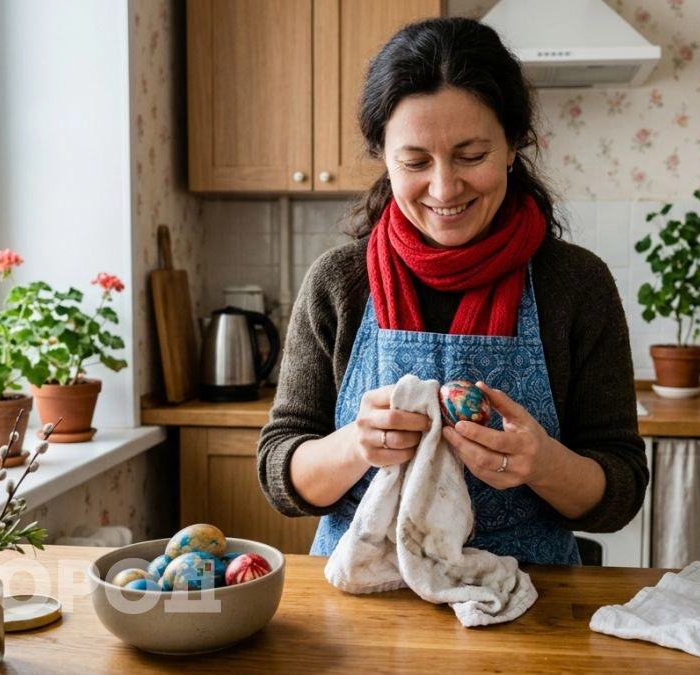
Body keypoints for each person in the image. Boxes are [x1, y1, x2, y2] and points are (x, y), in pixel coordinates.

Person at [257, 16, 647, 565]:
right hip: (364, 602)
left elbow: (622, 490)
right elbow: (280, 473)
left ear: (514, 146)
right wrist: (355, 445)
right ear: (383, 159)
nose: (444, 188)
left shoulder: (576, 285)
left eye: (471, 156)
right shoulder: (338, 283)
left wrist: (543, 463)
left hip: (531, 601)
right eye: (415, 161)